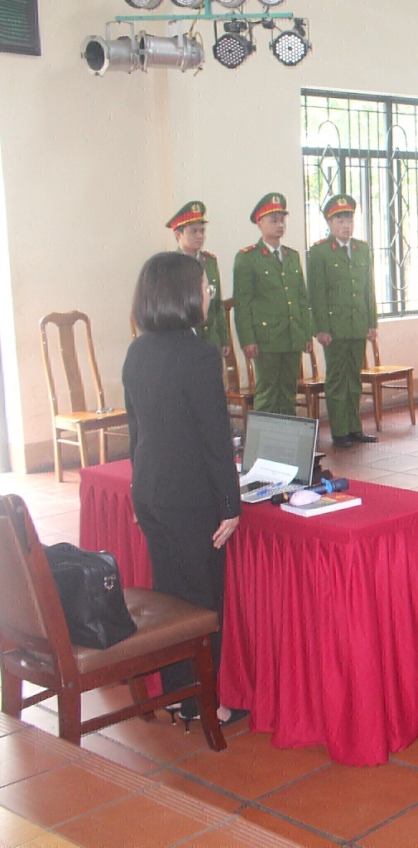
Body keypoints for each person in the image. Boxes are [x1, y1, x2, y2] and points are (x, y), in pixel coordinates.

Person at [123, 252, 243, 727]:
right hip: (191, 497)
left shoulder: (137, 351)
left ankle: (177, 694)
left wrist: (139, 491)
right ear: (182, 294)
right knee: (201, 604)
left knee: (170, 596)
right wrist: (231, 503)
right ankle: (205, 704)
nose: (209, 293)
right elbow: (215, 436)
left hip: (151, 492)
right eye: (203, 286)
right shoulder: (198, 353)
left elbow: (136, 432)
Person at [307, 194, 379, 449]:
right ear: (329, 222)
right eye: (340, 219)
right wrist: (321, 329)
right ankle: (339, 431)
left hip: (358, 324)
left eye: (349, 219)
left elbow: (368, 289)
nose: (346, 224)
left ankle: (354, 427)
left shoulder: (362, 249)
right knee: (337, 380)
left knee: (354, 377)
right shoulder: (320, 252)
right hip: (334, 329)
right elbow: (316, 293)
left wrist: (372, 322)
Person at [232, 193, 311, 416]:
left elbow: (301, 298)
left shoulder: (292, 256)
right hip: (266, 339)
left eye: (282, 219)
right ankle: (264, 446)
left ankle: (286, 445)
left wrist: (305, 333)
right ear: (260, 223)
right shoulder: (248, 258)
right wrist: (247, 339)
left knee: (288, 391)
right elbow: (243, 303)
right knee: (267, 393)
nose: (279, 224)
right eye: (273, 220)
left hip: (291, 335)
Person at [168, 201, 228, 356]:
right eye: (193, 231)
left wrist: (224, 338)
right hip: (184, 341)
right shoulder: (171, 265)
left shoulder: (210, 262)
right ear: (178, 234)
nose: (200, 236)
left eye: (202, 231)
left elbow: (217, 305)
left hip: (211, 339)